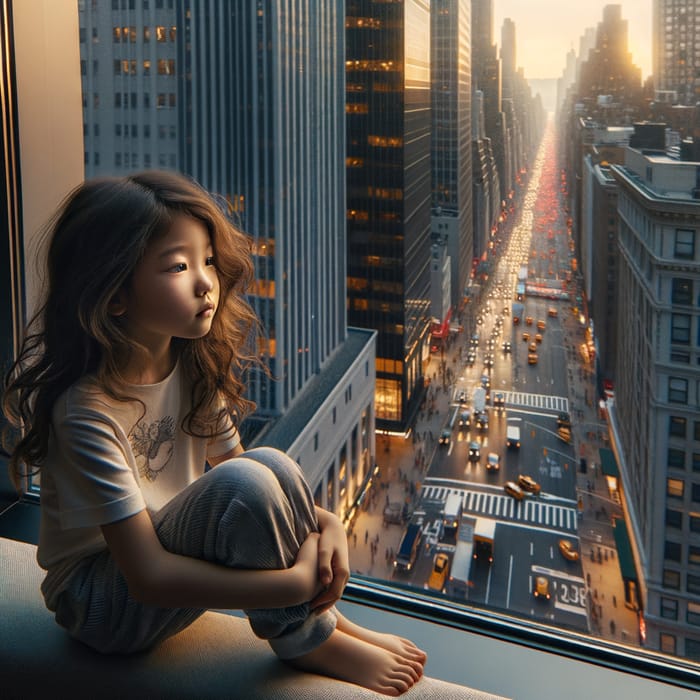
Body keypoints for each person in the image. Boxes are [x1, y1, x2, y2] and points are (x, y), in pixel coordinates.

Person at [2, 171, 426, 696]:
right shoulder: (85, 411)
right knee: (248, 483)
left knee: (271, 464)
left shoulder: (189, 366)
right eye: (178, 266)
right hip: (99, 603)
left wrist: (329, 524)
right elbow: (148, 577)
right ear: (115, 296)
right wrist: (287, 586)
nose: (206, 281)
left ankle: (331, 625)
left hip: (157, 562)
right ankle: (305, 639)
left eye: (206, 260)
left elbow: (249, 474)